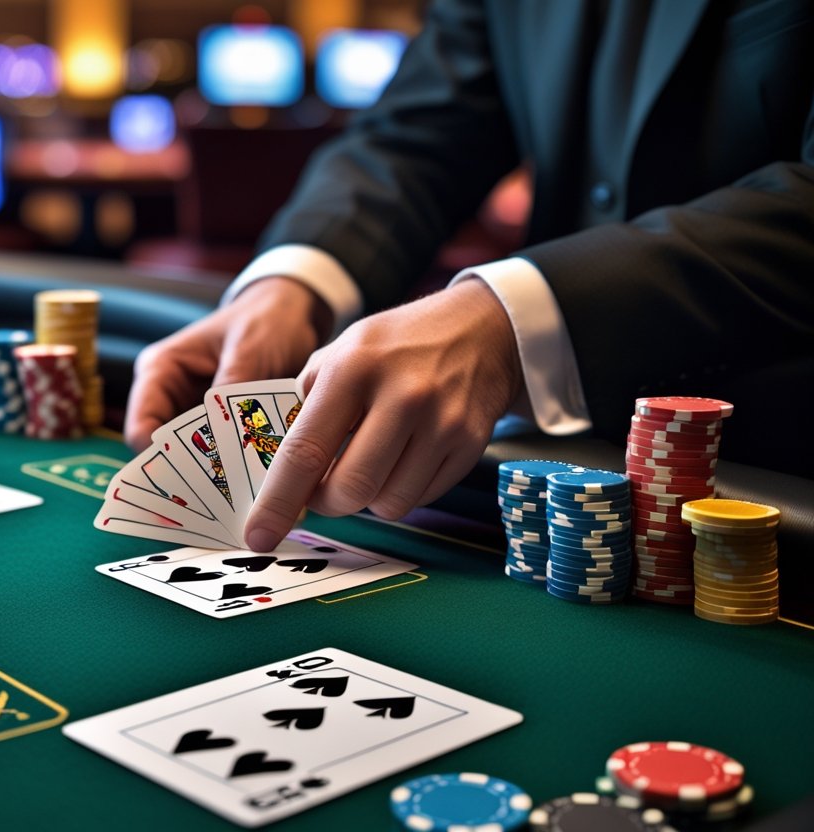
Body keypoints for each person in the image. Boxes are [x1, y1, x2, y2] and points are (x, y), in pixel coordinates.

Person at [125, 0, 814, 552]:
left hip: (781, 483)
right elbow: (418, 133)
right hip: (570, 483)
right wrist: (294, 284)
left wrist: (510, 320)